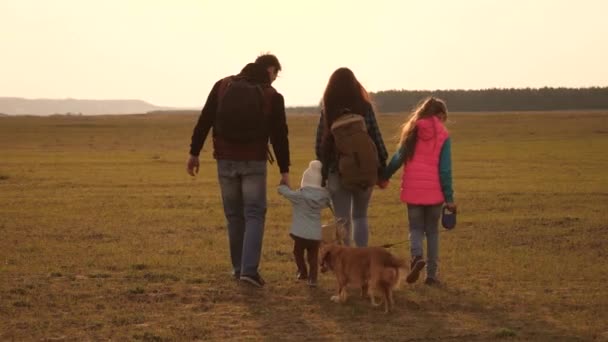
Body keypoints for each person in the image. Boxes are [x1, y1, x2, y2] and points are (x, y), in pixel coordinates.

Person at [187, 54, 290, 288]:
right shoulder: (271, 95)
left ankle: (237, 268)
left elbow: (205, 120)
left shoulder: (223, 86)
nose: (274, 80)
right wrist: (284, 170)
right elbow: (280, 136)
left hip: (225, 160)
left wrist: (194, 153)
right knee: (254, 213)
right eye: (275, 74)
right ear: (271, 70)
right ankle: (249, 270)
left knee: (234, 216)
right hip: (253, 161)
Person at [380, 97, 457, 286]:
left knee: (415, 228)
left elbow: (398, 158)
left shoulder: (412, 130)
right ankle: (431, 275)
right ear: (440, 115)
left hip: (413, 191)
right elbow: (445, 170)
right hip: (435, 193)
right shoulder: (443, 135)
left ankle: (416, 257)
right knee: (432, 232)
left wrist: (384, 176)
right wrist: (449, 197)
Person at [314, 67, 388, 247]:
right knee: (361, 216)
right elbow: (377, 139)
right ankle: (362, 259)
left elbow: (319, 145)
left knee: (342, 219)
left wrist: (326, 169)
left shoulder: (328, 110)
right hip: (364, 169)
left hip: (337, 171)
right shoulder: (365, 107)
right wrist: (381, 166)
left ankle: (346, 263)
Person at [278, 160, 331, 287]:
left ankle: (302, 271)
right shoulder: (323, 198)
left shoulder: (299, 196)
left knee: (297, 253)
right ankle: (313, 279)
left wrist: (282, 186)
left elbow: (285, 192)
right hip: (315, 235)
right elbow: (330, 201)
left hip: (300, 234)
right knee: (313, 258)